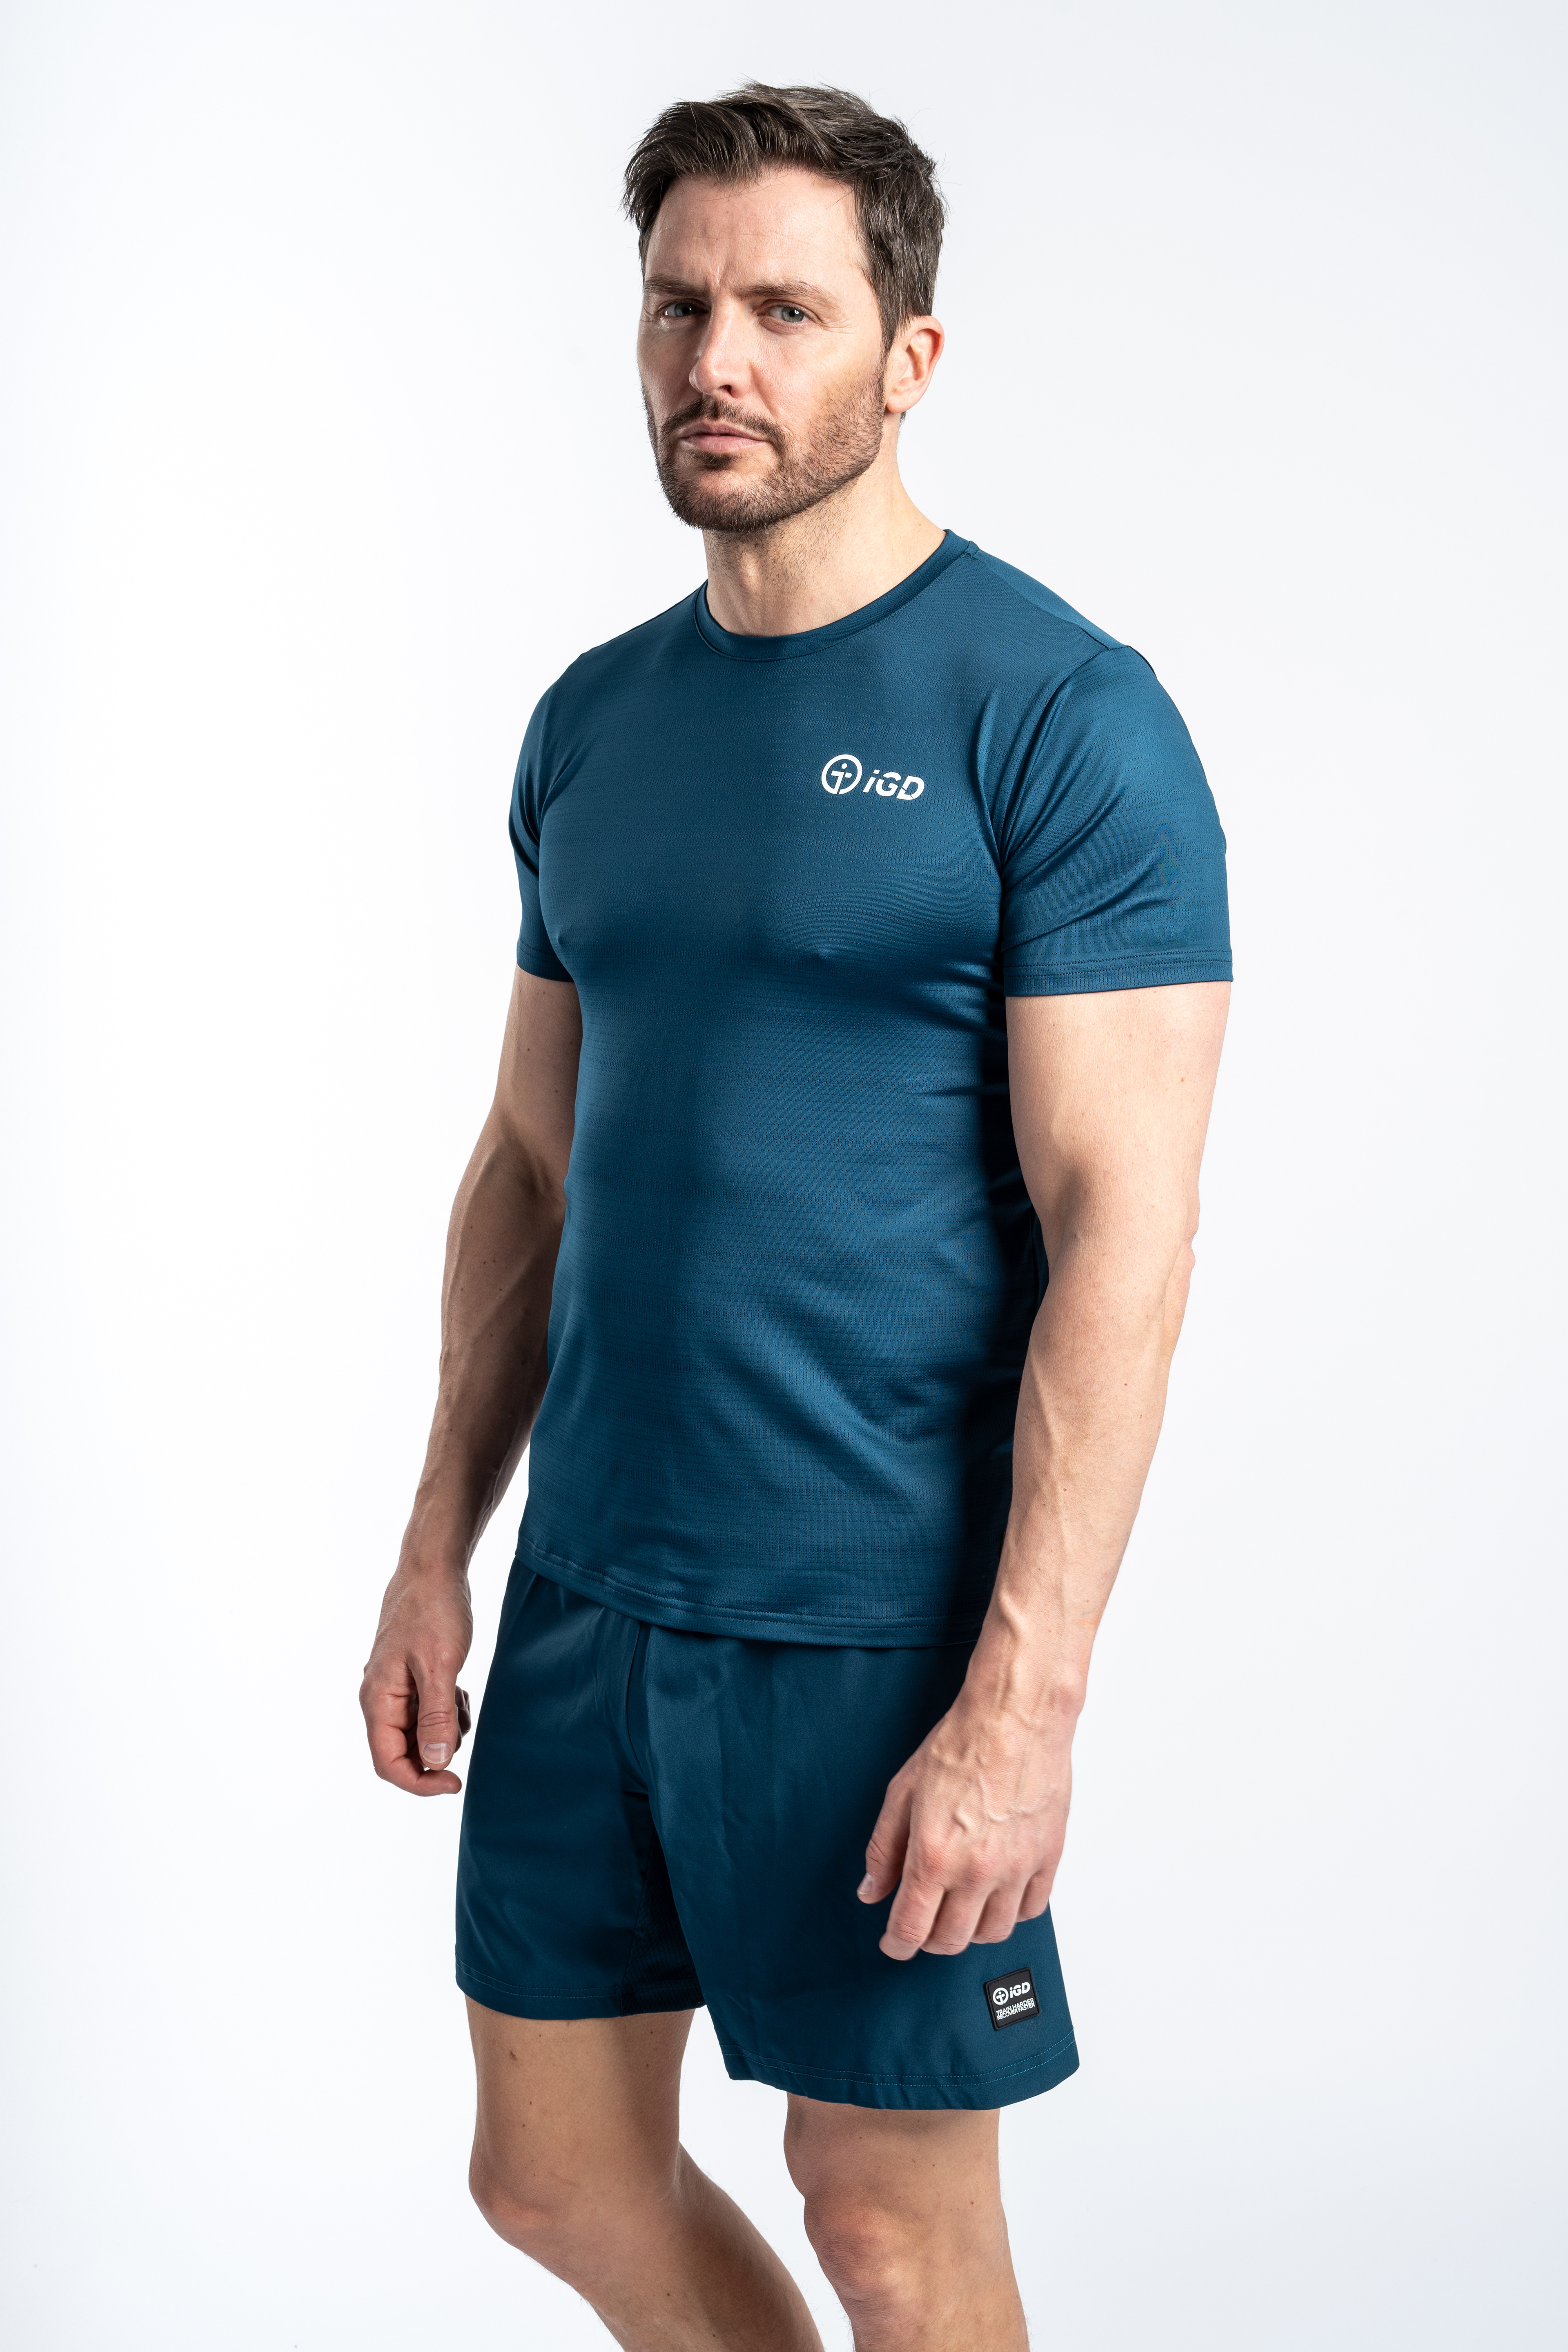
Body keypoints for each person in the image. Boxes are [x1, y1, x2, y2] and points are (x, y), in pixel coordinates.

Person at [359, 81, 1231, 2352]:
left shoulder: (1060, 715)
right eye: (678, 308)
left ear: (909, 355)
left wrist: (1022, 1705)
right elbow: (533, 1159)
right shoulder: (593, 722)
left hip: (867, 1621)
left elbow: (1127, 1233)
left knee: (889, 2223)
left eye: (783, 310)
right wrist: (441, 1538)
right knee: (548, 2173)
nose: (716, 361)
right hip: (590, 1587)